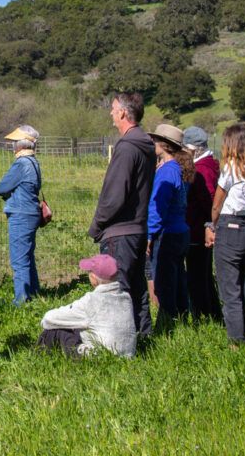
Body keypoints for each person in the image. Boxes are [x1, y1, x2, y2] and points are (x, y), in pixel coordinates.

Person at [88, 92, 155, 337]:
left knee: (118, 289)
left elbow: (115, 194)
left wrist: (97, 225)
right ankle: (143, 337)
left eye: (114, 109)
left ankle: (121, 344)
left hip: (120, 231)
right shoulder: (144, 144)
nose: (111, 114)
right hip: (138, 228)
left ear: (124, 113)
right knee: (137, 288)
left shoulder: (127, 147)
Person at [205, 123, 245, 345]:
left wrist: (212, 225)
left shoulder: (231, 167)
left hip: (230, 229)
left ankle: (236, 342)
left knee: (230, 291)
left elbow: (217, 204)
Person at [37, 254, 137, 359]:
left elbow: (49, 319)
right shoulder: (126, 297)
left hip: (100, 357)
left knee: (57, 330)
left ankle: (38, 357)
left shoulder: (91, 301)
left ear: (94, 279)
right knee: (79, 326)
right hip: (127, 356)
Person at [146, 124, 194, 327]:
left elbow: (158, 207)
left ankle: (167, 325)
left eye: (156, 140)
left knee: (164, 282)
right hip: (182, 231)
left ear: (163, 144)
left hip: (167, 233)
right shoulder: (178, 168)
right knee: (178, 279)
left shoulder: (166, 172)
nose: (154, 144)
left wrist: (149, 234)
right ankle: (183, 317)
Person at [0, 125, 43, 305]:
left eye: (15, 142)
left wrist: (8, 193)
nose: (13, 146)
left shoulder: (21, 164)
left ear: (20, 145)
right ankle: (34, 293)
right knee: (28, 256)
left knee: (19, 260)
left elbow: (1, 187)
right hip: (31, 212)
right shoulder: (33, 162)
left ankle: (21, 300)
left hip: (20, 214)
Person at [182, 126, 222, 321]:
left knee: (197, 276)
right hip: (200, 228)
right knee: (203, 275)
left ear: (193, 149)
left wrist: (208, 224)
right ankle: (212, 313)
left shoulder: (202, 170)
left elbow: (209, 200)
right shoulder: (210, 165)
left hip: (198, 231)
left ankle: (202, 315)